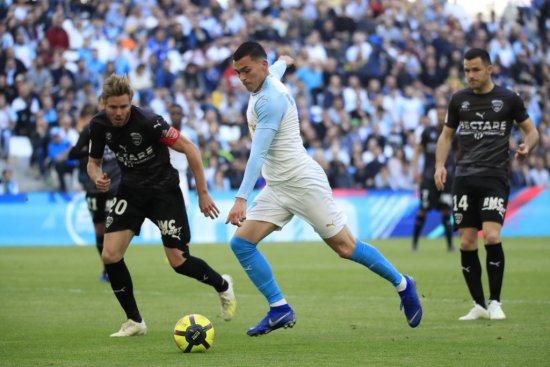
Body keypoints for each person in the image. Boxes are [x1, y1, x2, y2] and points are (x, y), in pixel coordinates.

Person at [225, 41, 422, 337]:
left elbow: (258, 154)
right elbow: (277, 69)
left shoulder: (271, 101)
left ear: (261, 66)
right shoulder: (269, 77)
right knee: (241, 243)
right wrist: (284, 60)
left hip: (303, 183)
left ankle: (403, 284)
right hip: (279, 186)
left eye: (247, 70)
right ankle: (279, 308)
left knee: (346, 247)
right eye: (238, 72)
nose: (242, 77)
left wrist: (241, 198)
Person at [87, 74, 236, 337]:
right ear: (104, 104)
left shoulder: (149, 122)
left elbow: (190, 149)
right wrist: (97, 177)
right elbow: (93, 163)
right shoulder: (98, 125)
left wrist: (203, 194)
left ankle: (222, 284)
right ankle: (135, 321)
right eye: (113, 107)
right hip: (131, 193)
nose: (119, 113)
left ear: (131, 102)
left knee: (178, 262)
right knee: (110, 255)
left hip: (164, 194)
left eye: (124, 106)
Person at [434, 48, 539, 321]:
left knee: (491, 236)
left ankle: (495, 302)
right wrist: (439, 165)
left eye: (476, 70)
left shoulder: (508, 99)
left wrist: (528, 145)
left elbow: (531, 130)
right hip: (464, 178)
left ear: (489, 69)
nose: (470, 75)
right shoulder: (459, 100)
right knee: (467, 242)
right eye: (467, 70)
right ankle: (479, 305)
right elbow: (446, 137)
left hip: (494, 176)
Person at [69, 120, 121, 282]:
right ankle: (107, 269)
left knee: (110, 228)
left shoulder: (122, 127)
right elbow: (74, 153)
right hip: (94, 186)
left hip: (115, 184)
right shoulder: (90, 128)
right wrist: (92, 152)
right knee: (99, 230)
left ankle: (115, 267)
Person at [411, 113, 454, 252]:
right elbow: (417, 150)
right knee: (422, 210)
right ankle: (415, 244)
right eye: (439, 113)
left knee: (446, 211)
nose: (441, 116)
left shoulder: (453, 133)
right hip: (428, 178)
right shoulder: (427, 132)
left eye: (444, 113)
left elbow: (460, 153)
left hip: (447, 178)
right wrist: (415, 170)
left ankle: (449, 245)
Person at [167, 103, 190, 206]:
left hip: (182, 175)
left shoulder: (188, 134)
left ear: (182, 115)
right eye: (173, 113)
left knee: (184, 205)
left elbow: (193, 158)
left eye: (178, 113)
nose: (175, 116)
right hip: (167, 175)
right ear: (169, 115)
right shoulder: (164, 133)